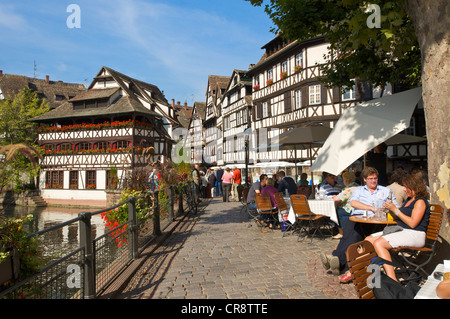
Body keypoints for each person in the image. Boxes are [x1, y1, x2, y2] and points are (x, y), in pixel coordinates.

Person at [320, 167, 399, 282]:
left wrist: (388, 209)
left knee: (354, 235)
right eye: (371, 179)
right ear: (365, 179)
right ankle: (338, 261)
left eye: (375, 178)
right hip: (358, 217)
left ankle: (336, 259)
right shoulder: (359, 190)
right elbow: (353, 203)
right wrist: (370, 208)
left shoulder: (385, 191)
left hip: (376, 221)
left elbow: (395, 206)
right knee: (349, 233)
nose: (373, 181)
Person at [365, 174, 430, 282]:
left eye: (406, 186)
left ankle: (392, 279)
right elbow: (400, 217)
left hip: (415, 234)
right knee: (368, 240)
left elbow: (413, 223)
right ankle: (372, 273)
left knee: (379, 243)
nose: (404, 189)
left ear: (414, 186)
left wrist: (396, 210)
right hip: (402, 231)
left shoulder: (420, 202)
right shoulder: (409, 199)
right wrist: (390, 209)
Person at [331, 171, 359, 239]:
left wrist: (334, 196)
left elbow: (337, 199)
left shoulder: (348, 189)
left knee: (337, 212)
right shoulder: (358, 186)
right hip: (358, 208)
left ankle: (341, 232)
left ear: (345, 180)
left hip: (350, 209)